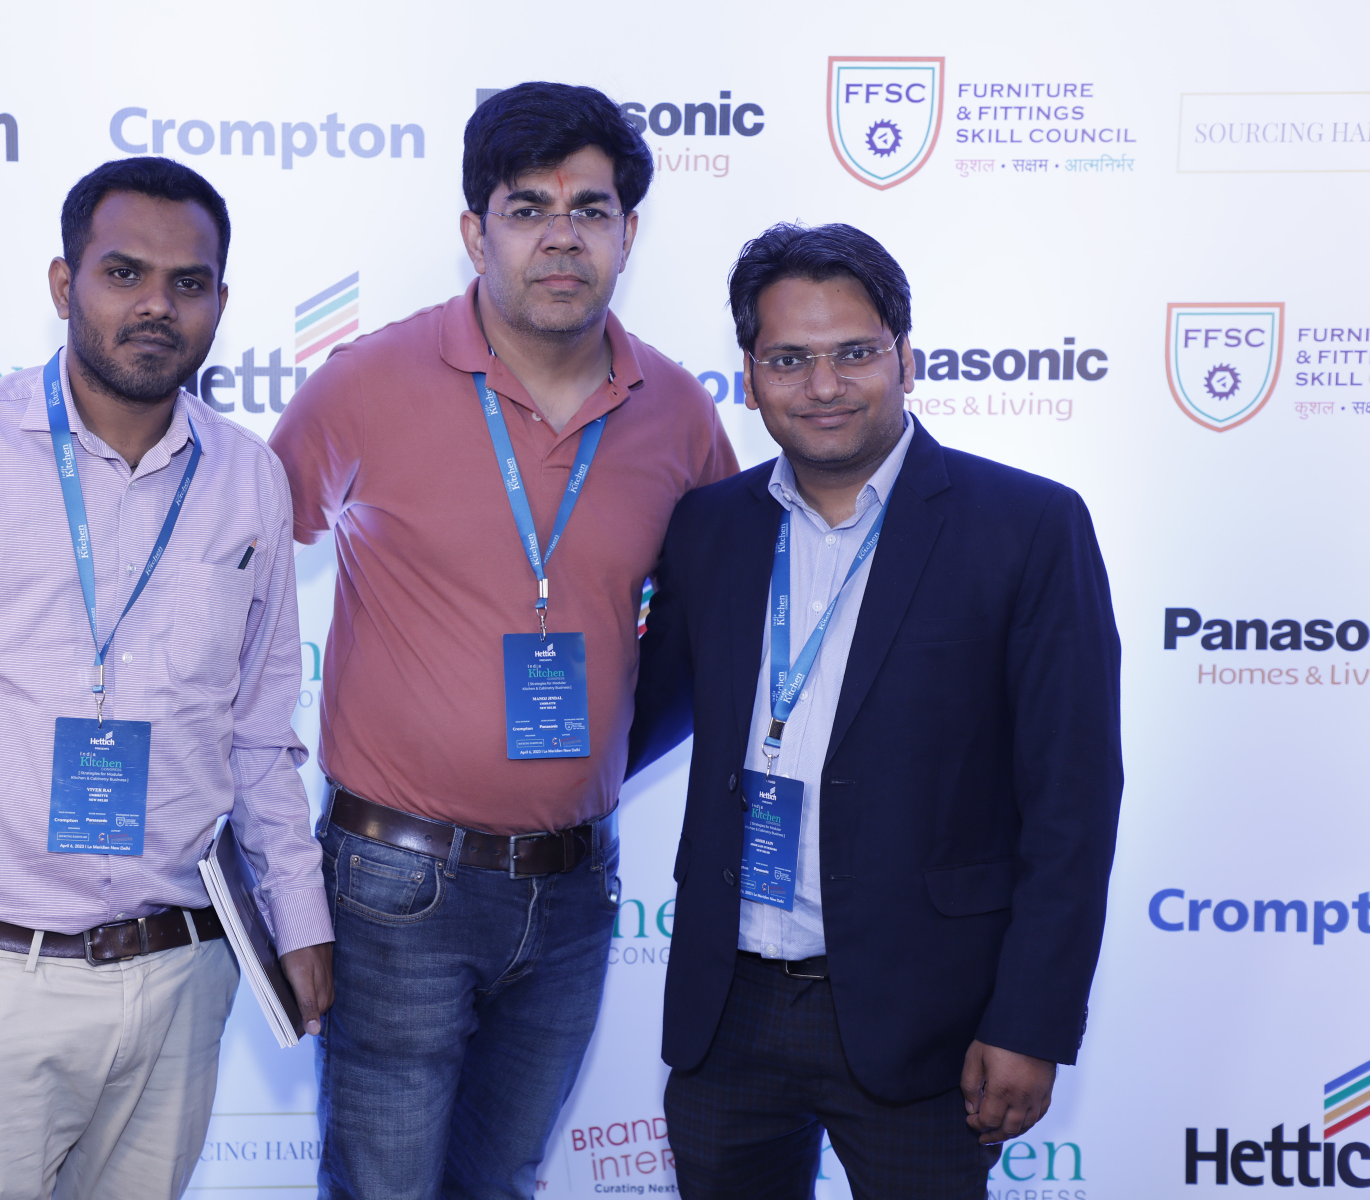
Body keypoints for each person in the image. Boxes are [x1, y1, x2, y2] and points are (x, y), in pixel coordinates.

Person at [0, 156, 334, 1200]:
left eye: (188, 283)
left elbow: (259, 734)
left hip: (182, 976)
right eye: (124, 273)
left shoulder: (249, 478)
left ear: (221, 302)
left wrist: (300, 918)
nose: (157, 305)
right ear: (63, 284)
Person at [268, 82, 737, 1199]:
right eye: (528, 209)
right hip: (395, 884)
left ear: (628, 232)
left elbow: (715, 624)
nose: (561, 237)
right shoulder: (366, 384)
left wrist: (604, 753)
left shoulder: (676, 411)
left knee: (503, 1183)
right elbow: (233, 565)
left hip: (575, 889)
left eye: (591, 209)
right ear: (476, 234)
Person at [629, 223, 1122, 1199]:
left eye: (854, 352)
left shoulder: (1027, 527)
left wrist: (1029, 1021)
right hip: (727, 1009)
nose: (824, 385)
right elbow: (639, 711)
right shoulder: (709, 528)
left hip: (928, 1019)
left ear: (907, 357)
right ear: (749, 375)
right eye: (789, 359)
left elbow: (1073, 802)